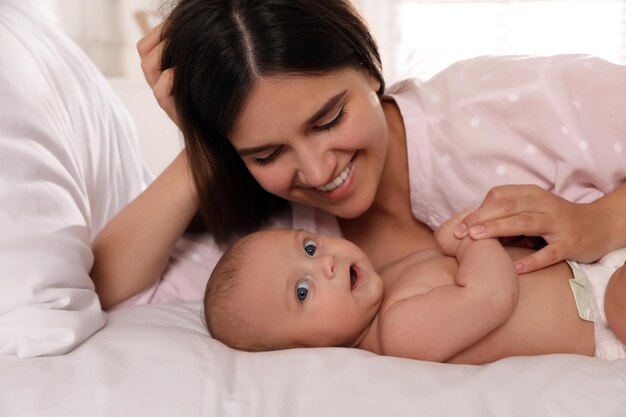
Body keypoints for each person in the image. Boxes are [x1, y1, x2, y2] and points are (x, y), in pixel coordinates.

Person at [91, 0, 626, 310]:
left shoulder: (506, 105)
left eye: (329, 120)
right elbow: (107, 289)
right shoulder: (279, 241)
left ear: (369, 68)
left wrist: (599, 221)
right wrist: (201, 147)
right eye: (267, 151)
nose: (320, 171)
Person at [203, 211, 626, 363]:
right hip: (603, 320)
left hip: (590, 270)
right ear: (306, 353)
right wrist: (470, 240)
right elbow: (491, 296)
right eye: (302, 291)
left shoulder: (389, 280)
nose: (327, 262)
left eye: (309, 247)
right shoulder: (401, 333)